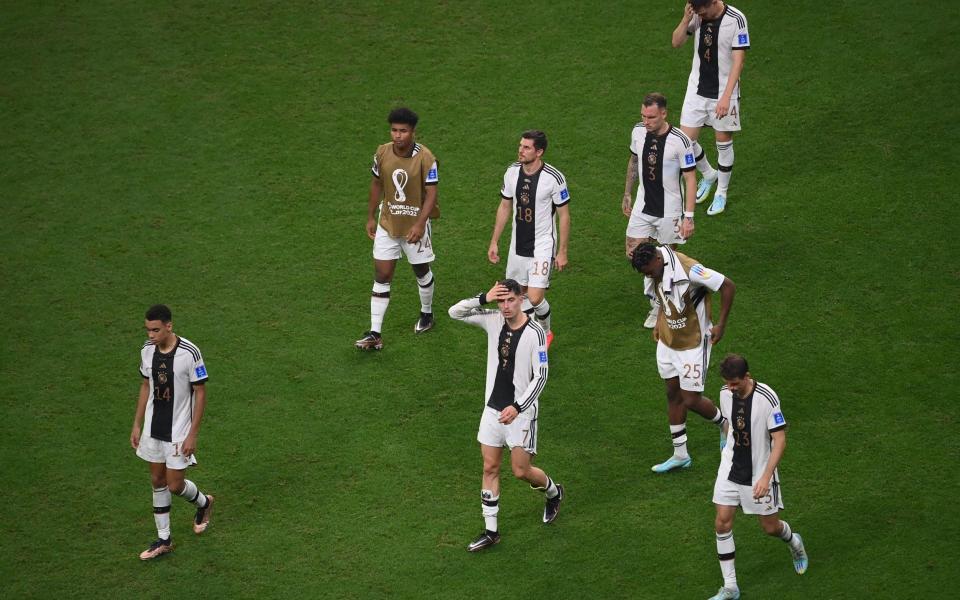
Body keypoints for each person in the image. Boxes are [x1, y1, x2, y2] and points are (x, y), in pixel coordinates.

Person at [448, 279, 564, 552]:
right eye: (501, 300)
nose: (506, 306)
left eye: (510, 300)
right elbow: (455, 312)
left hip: (520, 414)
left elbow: (541, 375)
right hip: (492, 411)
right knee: (489, 467)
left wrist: (518, 407)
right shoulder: (493, 320)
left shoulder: (535, 332)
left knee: (521, 471)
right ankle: (491, 531)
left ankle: (553, 492)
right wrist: (483, 298)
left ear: (521, 300)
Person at [707, 354, 808, 600]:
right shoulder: (724, 392)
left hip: (758, 473)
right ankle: (730, 586)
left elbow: (780, 440)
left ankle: (794, 541)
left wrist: (766, 477)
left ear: (747, 377)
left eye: (735, 383)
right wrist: (726, 441)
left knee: (770, 527)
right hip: (731, 467)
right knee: (722, 521)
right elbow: (730, 423)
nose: (730, 389)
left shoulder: (767, 398)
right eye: (727, 383)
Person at [630, 242, 735, 472]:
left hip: (693, 343)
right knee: (672, 394)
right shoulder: (656, 268)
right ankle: (681, 454)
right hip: (668, 342)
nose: (647, 275)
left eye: (648, 270)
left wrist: (721, 324)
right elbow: (662, 293)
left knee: (691, 399)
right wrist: (659, 321)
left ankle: (725, 424)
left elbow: (727, 286)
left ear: (657, 260)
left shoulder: (690, 269)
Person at [131, 304, 214, 560]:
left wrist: (193, 434)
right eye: (148, 330)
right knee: (157, 481)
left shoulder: (190, 352)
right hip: (154, 427)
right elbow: (146, 385)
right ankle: (163, 539)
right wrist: (137, 423)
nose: (151, 335)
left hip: (179, 430)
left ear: (169, 326)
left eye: (155, 330)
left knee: (174, 484)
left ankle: (204, 503)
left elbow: (200, 393)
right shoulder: (147, 351)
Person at [356, 107, 440, 351]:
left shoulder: (426, 157)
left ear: (412, 132)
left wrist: (420, 223)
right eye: (394, 130)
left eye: (403, 131)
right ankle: (375, 333)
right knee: (382, 275)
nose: (398, 135)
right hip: (388, 221)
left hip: (415, 224)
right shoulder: (382, 152)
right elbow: (376, 184)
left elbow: (432, 194)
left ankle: (427, 314)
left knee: (421, 270)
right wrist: (371, 215)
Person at [622, 92, 698, 329]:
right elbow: (633, 161)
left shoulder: (680, 141)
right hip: (643, 208)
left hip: (670, 212)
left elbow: (691, 178)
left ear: (664, 114)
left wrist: (689, 218)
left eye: (651, 117)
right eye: (643, 116)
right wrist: (627, 192)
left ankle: (659, 304)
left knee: (662, 260)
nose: (646, 121)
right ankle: (658, 294)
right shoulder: (637, 131)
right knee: (634, 254)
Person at [488, 130, 570, 348]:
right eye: (520, 146)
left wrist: (562, 251)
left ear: (539, 151)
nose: (520, 150)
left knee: (534, 297)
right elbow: (505, 206)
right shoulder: (512, 172)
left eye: (526, 147)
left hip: (542, 246)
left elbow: (564, 216)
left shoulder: (554, 178)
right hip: (518, 245)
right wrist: (494, 240)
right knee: (518, 294)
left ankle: (546, 332)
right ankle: (525, 335)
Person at [672, 0, 750, 216]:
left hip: (724, 93)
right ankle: (708, 174)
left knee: (723, 142)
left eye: (701, 11)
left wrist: (726, 97)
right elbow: (676, 42)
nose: (700, 15)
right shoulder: (696, 15)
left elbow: (739, 61)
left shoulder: (736, 19)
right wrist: (686, 19)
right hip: (696, 91)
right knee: (686, 143)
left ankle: (721, 193)